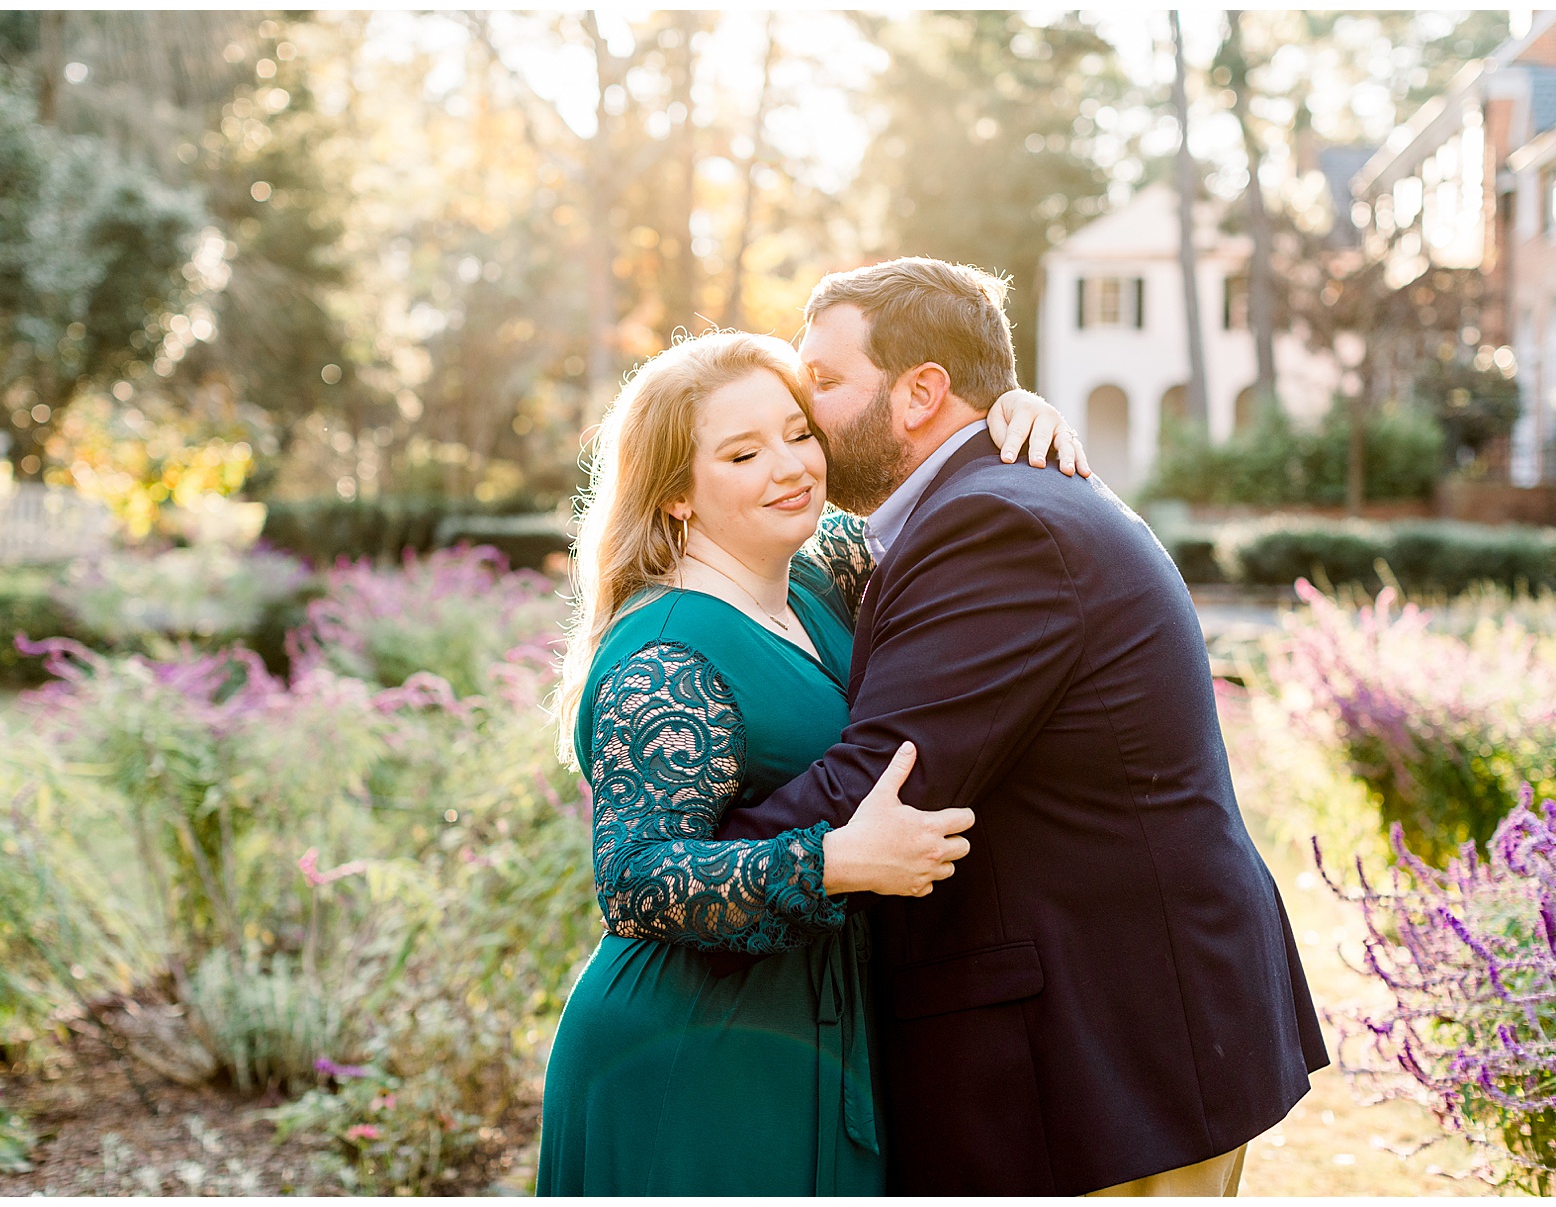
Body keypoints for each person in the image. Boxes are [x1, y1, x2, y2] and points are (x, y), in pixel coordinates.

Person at [715, 257, 1329, 1195]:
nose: (806, 409)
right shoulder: (984, 498)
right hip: (1124, 1022)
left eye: (826, 383)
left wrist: (690, 868)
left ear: (922, 392)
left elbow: (887, 784)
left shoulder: (995, 523)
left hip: (1113, 1050)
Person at [536, 329, 1087, 1196]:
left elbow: (933, 495)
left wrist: (1002, 421)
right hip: (692, 1052)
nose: (791, 466)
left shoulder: (816, 570)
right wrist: (836, 860)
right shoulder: (668, 657)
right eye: (744, 453)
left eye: (798, 432)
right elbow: (634, 880)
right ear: (678, 494)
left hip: (808, 1025)